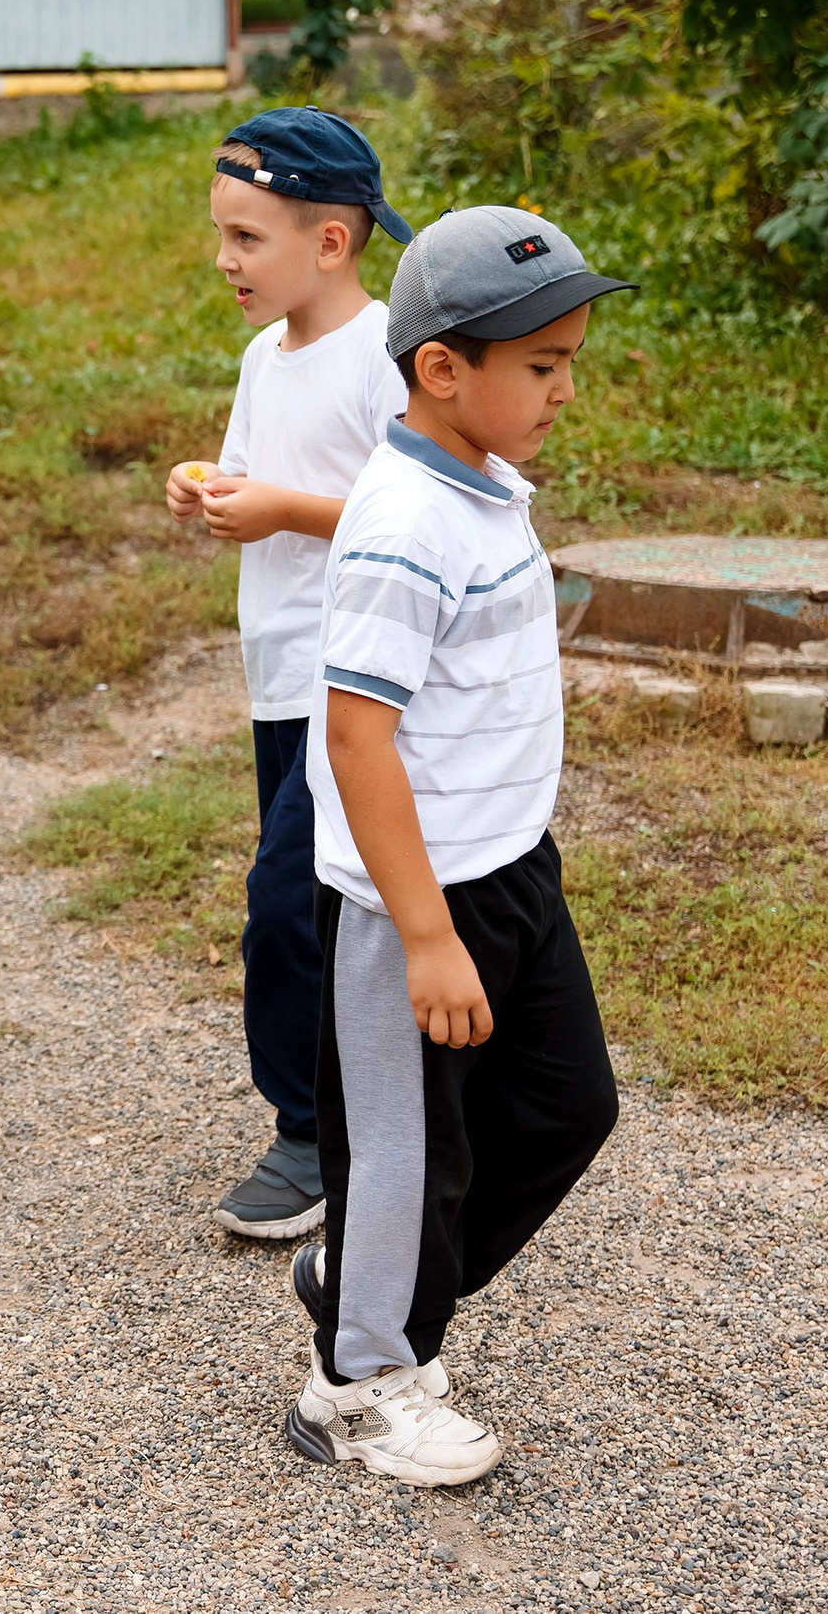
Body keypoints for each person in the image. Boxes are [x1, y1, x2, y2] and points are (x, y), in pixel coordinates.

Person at [282, 207, 627, 1485]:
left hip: (509, 872)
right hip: (407, 905)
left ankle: (368, 1284)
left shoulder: (476, 479)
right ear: (443, 370)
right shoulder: (397, 523)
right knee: (403, 1150)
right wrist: (421, 933)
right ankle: (356, 1382)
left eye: (569, 360)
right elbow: (358, 739)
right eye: (541, 367)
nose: (563, 390)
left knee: (566, 1104)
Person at [166, 107, 412, 1240]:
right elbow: (251, 472)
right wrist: (208, 484)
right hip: (278, 673)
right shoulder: (264, 356)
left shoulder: (384, 358)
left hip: (347, 681)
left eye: (246, 238)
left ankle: (311, 1135)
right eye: (221, 235)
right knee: (316, 900)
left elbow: (401, 508)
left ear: (331, 242)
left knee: (284, 904)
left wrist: (280, 510)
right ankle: (375, 1102)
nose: (223, 260)